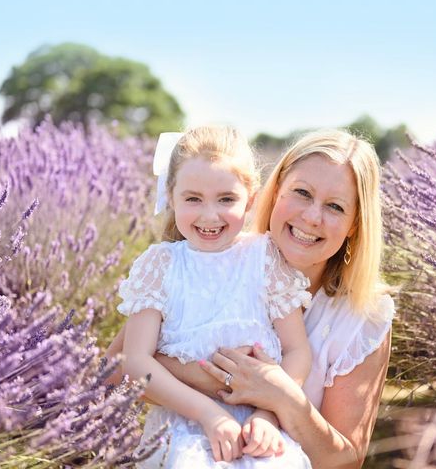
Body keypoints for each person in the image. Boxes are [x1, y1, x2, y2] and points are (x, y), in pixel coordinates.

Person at [107, 128, 395, 468]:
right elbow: (118, 369)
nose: (312, 217)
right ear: (273, 194)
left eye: (334, 206)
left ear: (354, 224)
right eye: (302, 193)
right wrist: (217, 385)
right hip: (190, 439)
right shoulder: (191, 262)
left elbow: (346, 459)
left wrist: (277, 402)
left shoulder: (364, 315)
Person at [115, 126, 313, 468]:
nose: (210, 215)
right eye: (193, 199)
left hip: (260, 430)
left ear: (250, 199)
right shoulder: (161, 266)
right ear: (171, 197)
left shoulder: (264, 259)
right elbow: (135, 361)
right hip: (184, 426)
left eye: (226, 199)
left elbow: (297, 350)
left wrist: (270, 413)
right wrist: (209, 415)